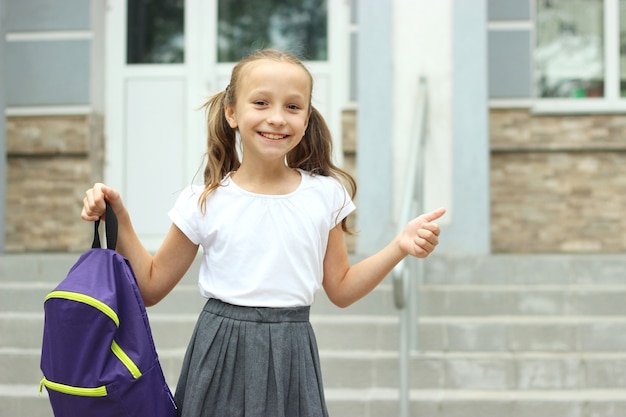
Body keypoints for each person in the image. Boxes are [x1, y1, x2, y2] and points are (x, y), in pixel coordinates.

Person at [81, 48, 445, 417]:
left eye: (292, 107)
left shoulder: (325, 195)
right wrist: (121, 218)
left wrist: (399, 246)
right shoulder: (204, 201)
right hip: (219, 354)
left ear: (306, 118)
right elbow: (151, 286)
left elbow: (342, 288)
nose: (277, 118)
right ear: (232, 112)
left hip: (292, 356)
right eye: (260, 102)